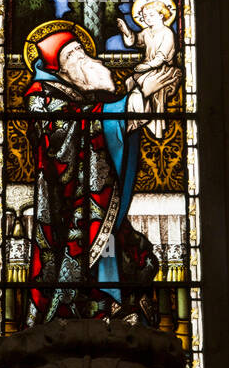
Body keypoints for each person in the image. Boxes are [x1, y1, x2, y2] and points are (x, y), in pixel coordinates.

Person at [22, 20, 181, 324]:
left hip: (98, 205)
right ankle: (90, 310)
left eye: (82, 50)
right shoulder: (42, 96)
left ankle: (112, 303)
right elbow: (62, 138)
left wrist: (139, 94)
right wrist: (133, 100)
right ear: (60, 69)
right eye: (73, 55)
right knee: (88, 254)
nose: (83, 57)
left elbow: (106, 124)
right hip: (66, 210)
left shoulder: (84, 95)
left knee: (118, 247)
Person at [116, 0, 177, 139]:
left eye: (151, 15)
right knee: (129, 82)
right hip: (147, 69)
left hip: (164, 71)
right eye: (144, 16)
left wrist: (147, 66)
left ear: (161, 15)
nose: (147, 19)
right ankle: (135, 119)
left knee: (143, 87)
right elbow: (134, 41)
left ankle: (139, 121)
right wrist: (125, 30)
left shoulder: (167, 33)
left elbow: (162, 56)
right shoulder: (146, 32)